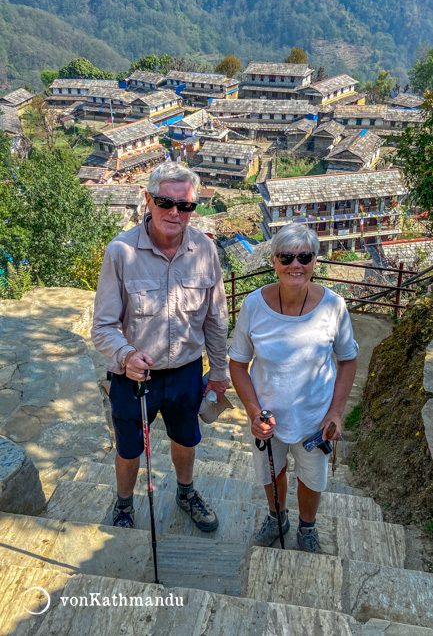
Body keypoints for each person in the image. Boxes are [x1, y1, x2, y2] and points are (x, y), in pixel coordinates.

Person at [91, 162, 229, 531]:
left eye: (185, 206)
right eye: (166, 202)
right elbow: (103, 326)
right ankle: (124, 504)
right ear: (148, 200)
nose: (175, 212)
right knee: (129, 447)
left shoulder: (205, 250)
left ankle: (186, 493)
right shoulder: (120, 252)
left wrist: (219, 373)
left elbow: (216, 318)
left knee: (186, 439)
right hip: (134, 376)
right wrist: (126, 355)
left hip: (186, 372)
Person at [228, 224, 358, 553]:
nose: (295, 265)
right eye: (286, 257)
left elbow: (347, 361)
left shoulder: (333, 306)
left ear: (316, 261)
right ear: (273, 261)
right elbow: (238, 364)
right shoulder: (254, 306)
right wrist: (255, 413)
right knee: (272, 473)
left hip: (315, 417)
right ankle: (277, 517)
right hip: (268, 417)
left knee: (312, 478)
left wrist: (335, 413)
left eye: (304, 256)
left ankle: (307, 526)